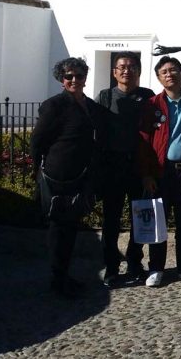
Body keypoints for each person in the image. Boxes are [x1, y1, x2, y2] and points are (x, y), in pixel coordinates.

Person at [31, 57, 105, 298]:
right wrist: (37, 172)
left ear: (85, 78)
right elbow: (37, 141)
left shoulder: (91, 106)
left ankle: (64, 274)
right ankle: (57, 278)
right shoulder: (54, 105)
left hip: (81, 174)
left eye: (79, 76)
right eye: (68, 76)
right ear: (61, 80)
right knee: (57, 227)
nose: (74, 80)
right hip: (57, 175)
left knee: (72, 226)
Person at [138, 56, 181, 287]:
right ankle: (156, 268)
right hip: (160, 171)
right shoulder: (152, 105)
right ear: (158, 78)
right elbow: (144, 141)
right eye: (164, 71)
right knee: (159, 222)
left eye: (174, 70)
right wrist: (147, 174)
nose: (169, 74)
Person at [96, 52, 155, 287]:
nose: (126, 70)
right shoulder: (105, 96)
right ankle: (111, 267)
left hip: (139, 166)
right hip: (113, 167)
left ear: (139, 71)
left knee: (139, 218)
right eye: (121, 67)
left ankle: (135, 262)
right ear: (114, 72)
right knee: (111, 220)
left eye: (131, 67)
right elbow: (97, 133)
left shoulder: (148, 97)